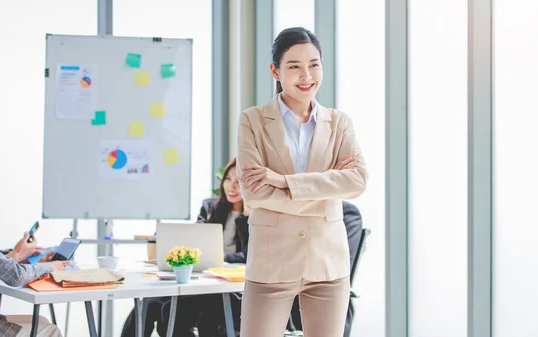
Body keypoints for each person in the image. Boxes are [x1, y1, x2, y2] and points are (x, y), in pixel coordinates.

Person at [236, 27, 368, 337]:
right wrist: (325, 193)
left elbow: (357, 181)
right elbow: (253, 191)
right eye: (294, 66)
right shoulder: (252, 120)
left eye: (314, 64)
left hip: (328, 262)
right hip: (271, 263)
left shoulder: (339, 123)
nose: (306, 75)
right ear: (276, 71)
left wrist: (284, 181)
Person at [120, 158, 249, 337]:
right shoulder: (210, 207)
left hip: (227, 288)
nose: (231, 186)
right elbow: (195, 242)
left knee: (171, 312)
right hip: (202, 278)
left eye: (238, 181)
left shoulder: (255, 214)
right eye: (228, 179)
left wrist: (220, 257)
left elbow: (249, 256)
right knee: (148, 303)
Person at [0, 146, 72, 337]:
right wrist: (51, 267)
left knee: (41, 322)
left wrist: (16, 257)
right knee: (49, 330)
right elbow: (14, 277)